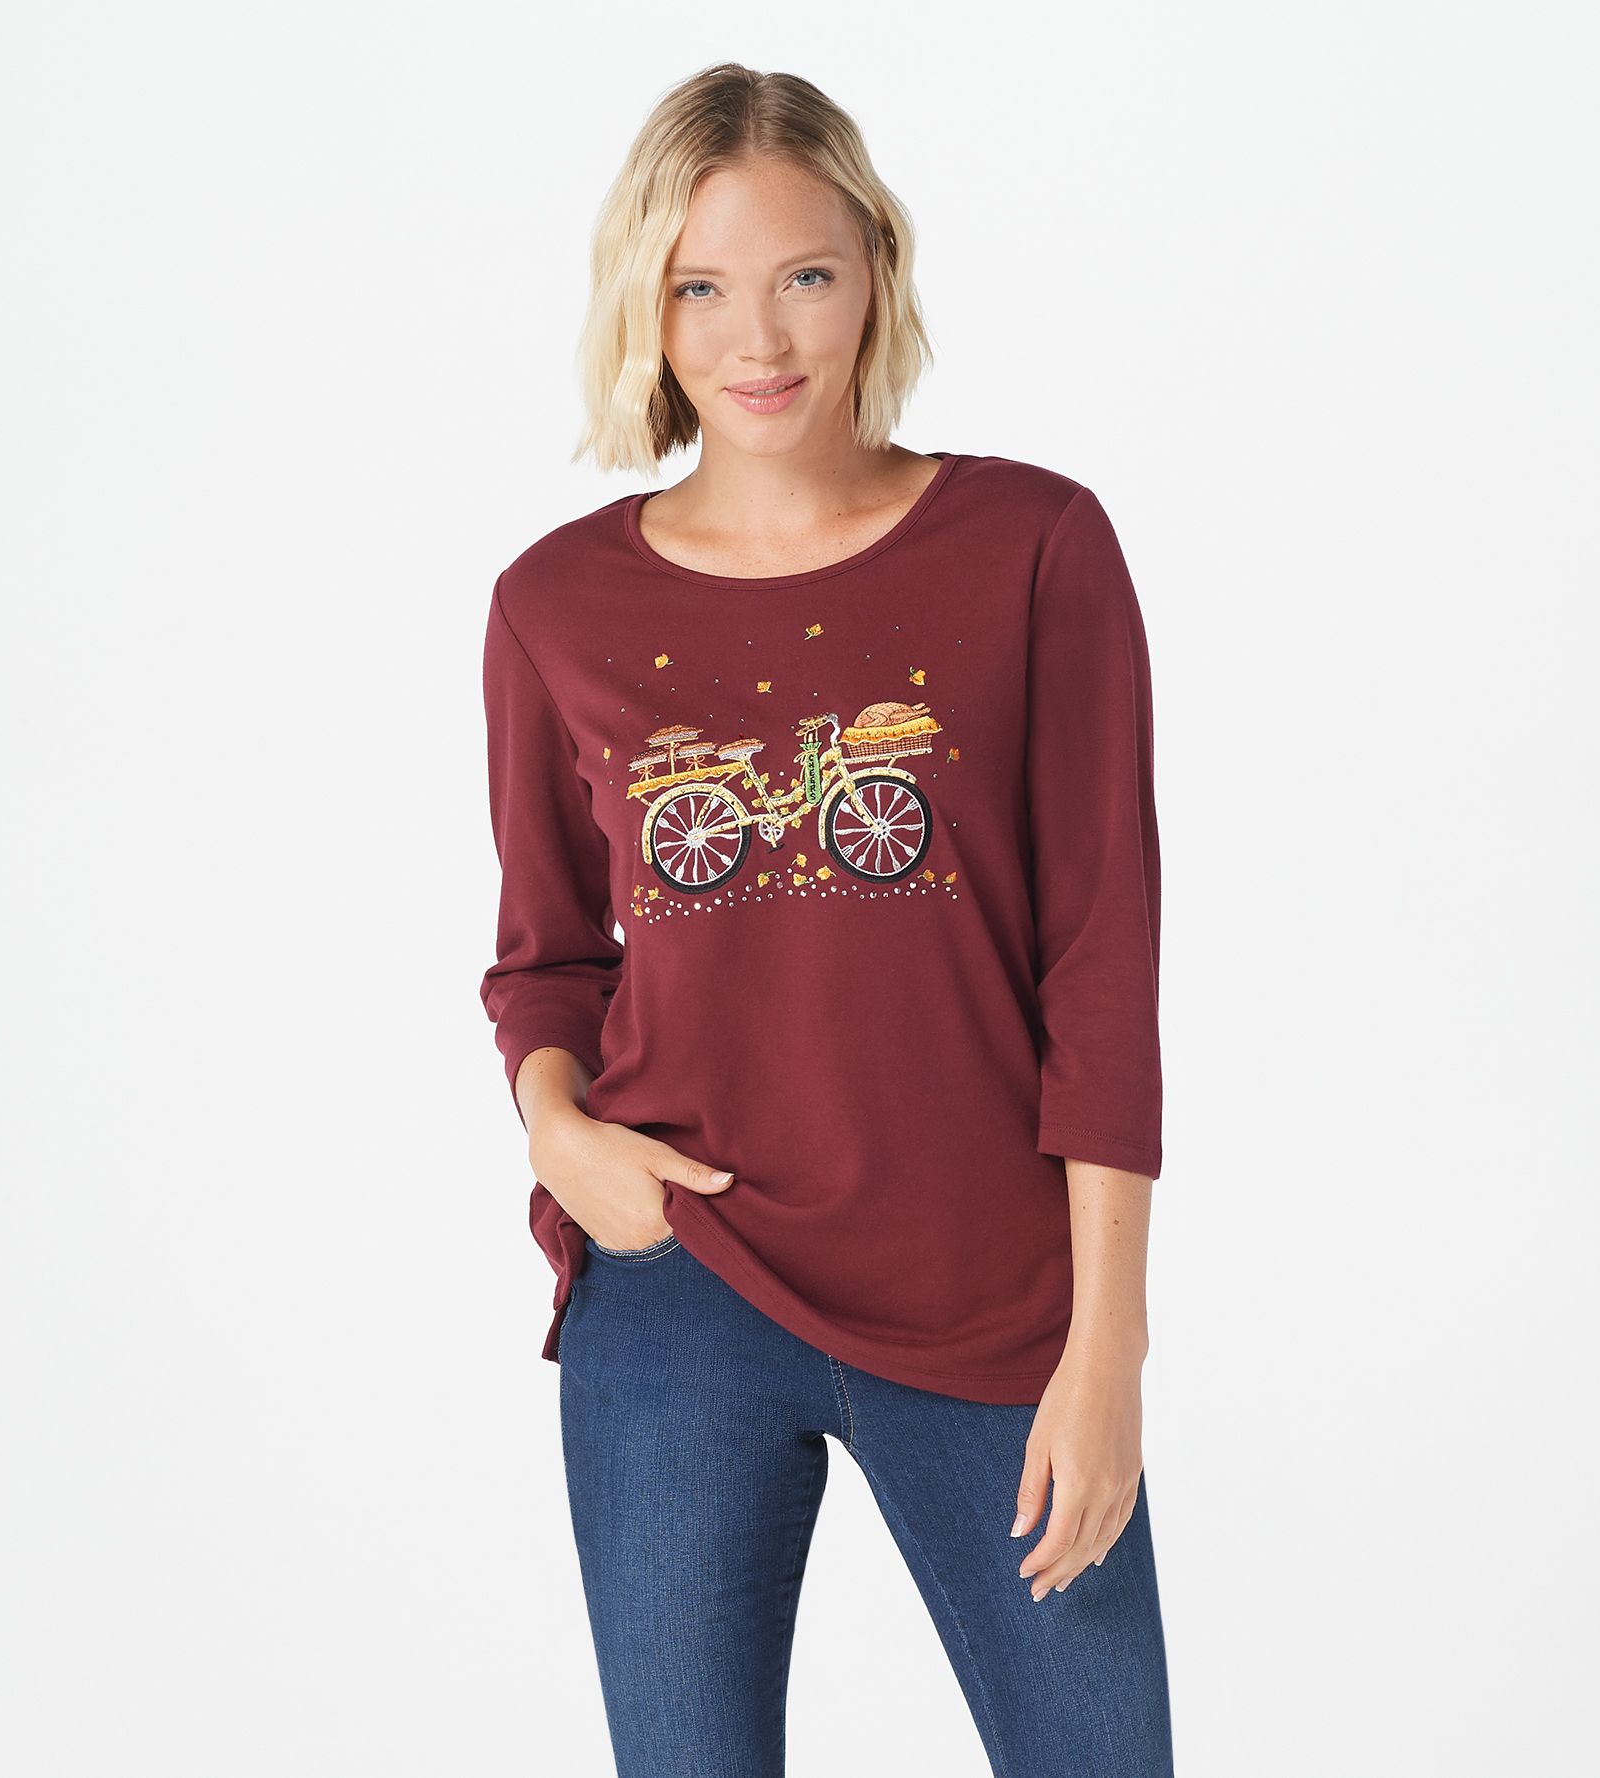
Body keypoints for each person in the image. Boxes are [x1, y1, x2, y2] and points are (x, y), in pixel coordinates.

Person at [479, 61, 1172, 1778]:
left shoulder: (1034, 545)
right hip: (679, 1287)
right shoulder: (556, 603)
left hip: (989, 1298)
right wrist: (559, 1130)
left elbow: (1101, 962)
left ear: (876, 267)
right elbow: (547, 957)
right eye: (700, 288)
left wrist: (1108, 1341)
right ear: (646, 309)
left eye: (804, 274)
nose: (759, 338)